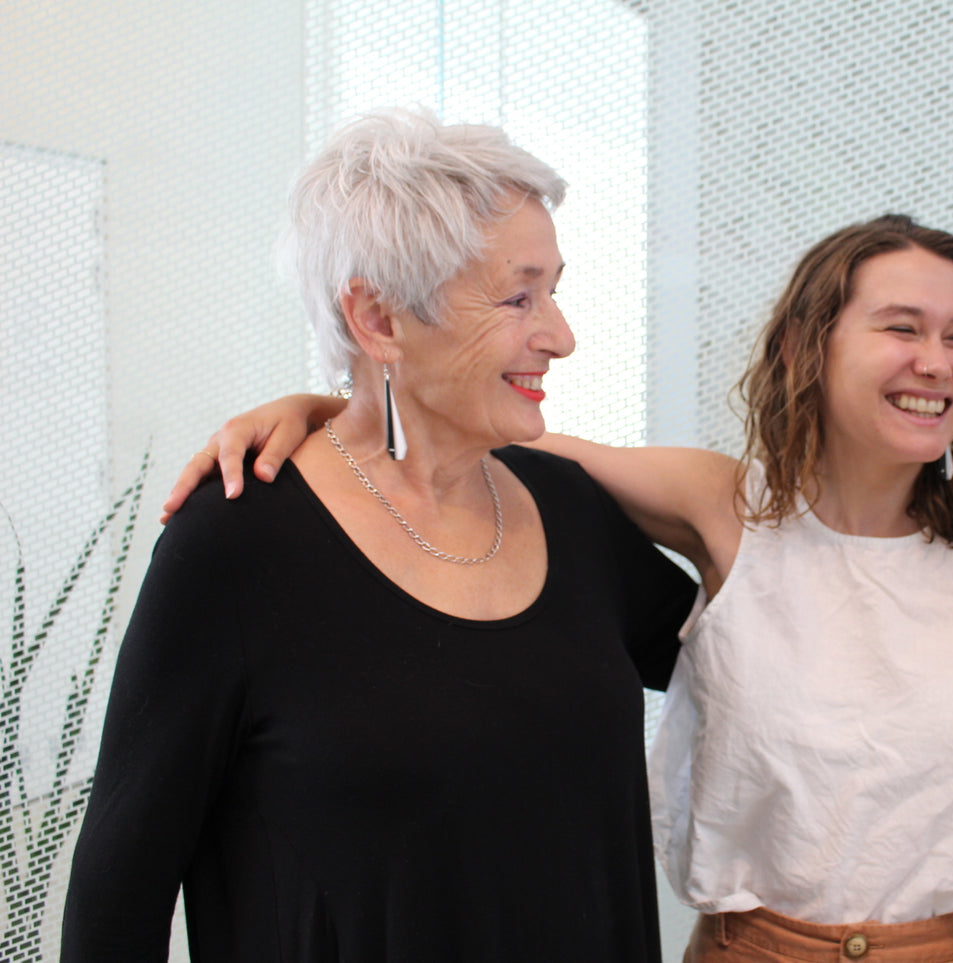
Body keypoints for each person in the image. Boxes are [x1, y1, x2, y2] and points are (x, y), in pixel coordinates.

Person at [167, 213, 953, 961]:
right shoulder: (723, 506)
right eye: (902, 327)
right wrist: (324, 407)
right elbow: (475, 429)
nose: (935, 362)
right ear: (807, 348)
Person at [61, 109, 697, 962]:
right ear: (379, 320)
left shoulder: (571, 510)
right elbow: (115, 906)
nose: (561, 336)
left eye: (554, 290)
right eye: (518, 297)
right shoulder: (237, 542)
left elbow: (746, 658)